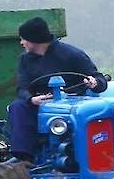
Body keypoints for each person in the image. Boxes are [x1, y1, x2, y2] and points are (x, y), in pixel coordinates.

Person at [6, 17, 108, 164]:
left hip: (73, 104)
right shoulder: (25, 60)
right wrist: (31, 99)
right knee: (18, 106)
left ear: (34, 39)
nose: (21, 43)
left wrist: (94, 82)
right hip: (41, 103)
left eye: (23, 39)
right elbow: (22, 88)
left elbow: (100, 80)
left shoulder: (72, 54)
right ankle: (23, 157)